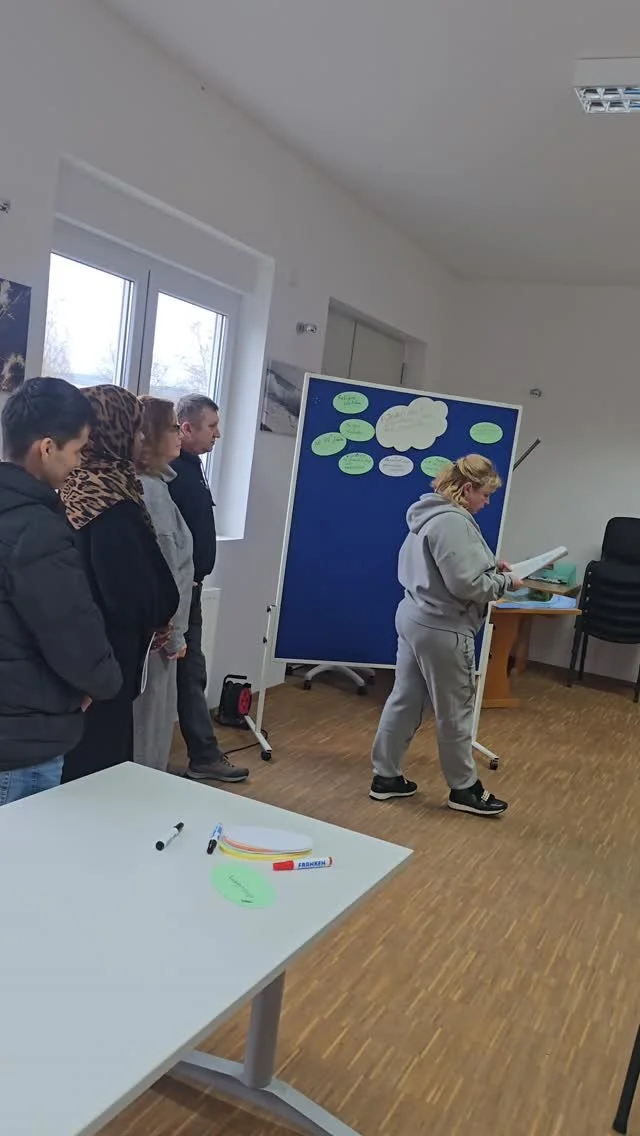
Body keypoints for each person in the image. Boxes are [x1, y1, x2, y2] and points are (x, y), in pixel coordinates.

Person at [369, 454, 524, 818]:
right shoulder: (453, 522)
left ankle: (385, 777)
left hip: (415, 617)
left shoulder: (429, 513)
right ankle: (464, 788)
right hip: (443, 627)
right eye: (485, 495)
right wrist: (506, 582)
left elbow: (449, 566)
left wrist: (491, 566)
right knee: (455, 712)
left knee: (405, 700)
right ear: (467, 489)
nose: (487, 502)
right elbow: (466, 584)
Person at [0, 377, 122, 804]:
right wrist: (101, 682)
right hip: (21, 745)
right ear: (47, 448)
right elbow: (72, 633)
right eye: (77, 450)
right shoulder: (36, 530)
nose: (79, 463)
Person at [60, 385, 179, 783]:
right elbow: (129, 592)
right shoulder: (110, 502)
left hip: (76, 656)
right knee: (100, 772)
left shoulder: (73, 486)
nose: (141, 438)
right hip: (106, 659)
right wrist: (160, 611)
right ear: (111, 432)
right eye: (134, 428)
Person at [169, 394, 248, 782]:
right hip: (177, 591)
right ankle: (203, 755)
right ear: (186, 428)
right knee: (190, 673)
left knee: (191, 674)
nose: (218, 434)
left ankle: (203, 754)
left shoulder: (193, 467)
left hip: (192, 588)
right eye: (211, 426)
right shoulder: (170, 472)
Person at [133, 396, 193, 772]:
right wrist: (176, 635)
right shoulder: (151, 491)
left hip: (152, 632)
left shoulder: (155, 485)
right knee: (150, 724)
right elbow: (169, 570)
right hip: (158, 636)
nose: (179, 435)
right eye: (173, 427)